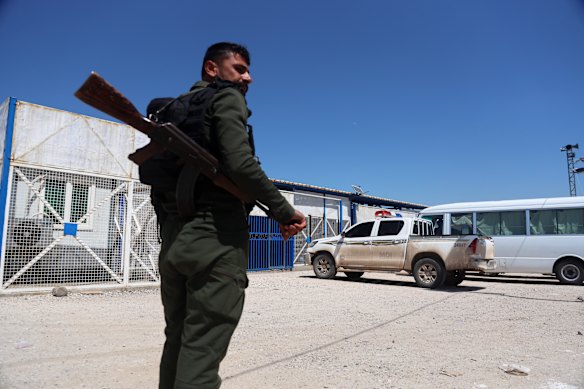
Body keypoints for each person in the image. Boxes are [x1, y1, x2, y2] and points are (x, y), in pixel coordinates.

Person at [149, 42, 306, 389]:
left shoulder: (174, 111)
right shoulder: (226, 97)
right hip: (214, 238)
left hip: (174, 241)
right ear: (212, 68)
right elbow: (241, 163)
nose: (248, 77)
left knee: (178, 340)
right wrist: (284, 211)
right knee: (202, 349)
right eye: (240, 68)